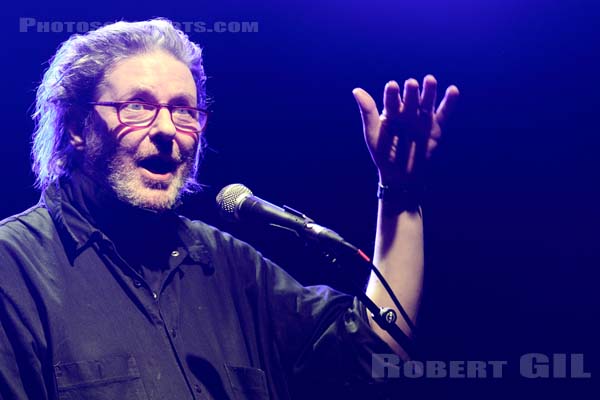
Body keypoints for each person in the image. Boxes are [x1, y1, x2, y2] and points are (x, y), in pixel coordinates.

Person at [0, 19, 458, 400]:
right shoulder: (13, 267)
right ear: (79, 126)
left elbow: (375, 351)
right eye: (137, 106)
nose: (167, 129)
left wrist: (398, 193)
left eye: (184, 110)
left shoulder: (226, 264)